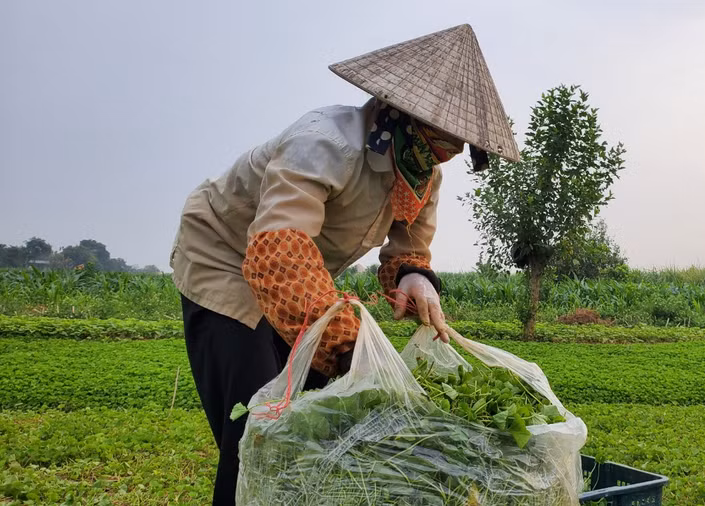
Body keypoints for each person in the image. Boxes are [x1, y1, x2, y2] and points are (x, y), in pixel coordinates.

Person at [169, 24, 519, 505]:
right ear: (402, 114)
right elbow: (279, 252)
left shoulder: (421, 174)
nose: (452, 152)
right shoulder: (325, 143)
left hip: (299, 282)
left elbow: (408, 247)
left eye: (460, 144)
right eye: (445, 137)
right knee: (260, 426)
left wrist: (415, 277)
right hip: (224, 257)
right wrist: (352, 347)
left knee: (318, 415)